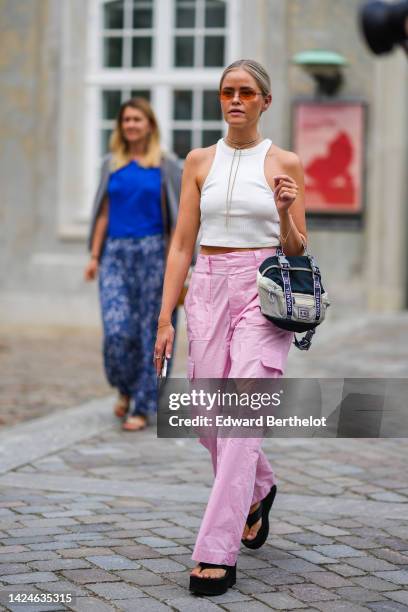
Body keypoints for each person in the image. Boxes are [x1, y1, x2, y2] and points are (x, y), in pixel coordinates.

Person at [154, 59, 307, 595]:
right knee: (205, 416)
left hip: (263, 288)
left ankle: (216, 551)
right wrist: (164, 317)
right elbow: (180, 245)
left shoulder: (284, 161)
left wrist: (286, 211)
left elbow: (297, 248)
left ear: (265, 101)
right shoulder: (198, 161)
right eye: (226, 92)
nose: (235, 100)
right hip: (208, 286)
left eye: (245, 92)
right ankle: (259, 487)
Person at [85, 97, 181, 431]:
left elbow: (177, 222)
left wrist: (180, 267)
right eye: (126, 120)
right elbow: (103, 213)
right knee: (117, 332)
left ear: (150, 124)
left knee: (149, 333)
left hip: (154, 254)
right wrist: (95, 256)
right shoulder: (110, 163)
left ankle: (141, 403)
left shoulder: (167, 165)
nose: (131, 125)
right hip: (115, 254)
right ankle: (124, 386)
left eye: (137, 119)